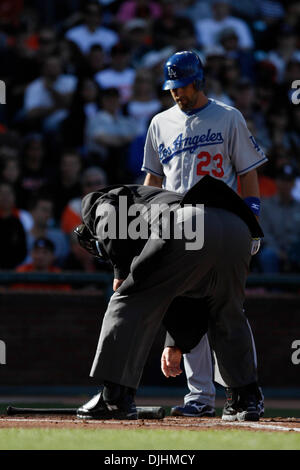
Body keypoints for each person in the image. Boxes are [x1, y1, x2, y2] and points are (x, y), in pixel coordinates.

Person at [75, 175, 263, 421]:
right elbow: (189, 297)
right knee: (226, 311)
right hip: (237, 228)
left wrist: (120, 270)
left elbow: (110, 215)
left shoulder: (101, 200)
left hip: (191, 224)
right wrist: (176, 342)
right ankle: (244, 398)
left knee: (127, 300)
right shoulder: (152, 204)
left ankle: (114, 398)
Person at [142, 50, 267, 418]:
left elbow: (247, 172)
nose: (177, 93)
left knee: (226, 311)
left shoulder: (228, 117)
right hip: (177, 227)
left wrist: (252, 219)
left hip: (221, 222)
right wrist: (144, 223)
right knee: (184, 307)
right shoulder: (159, 122)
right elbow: (151, 179)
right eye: (173, 87)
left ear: (198, 81)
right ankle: (199, 396)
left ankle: (243, 393)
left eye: (183, 85)